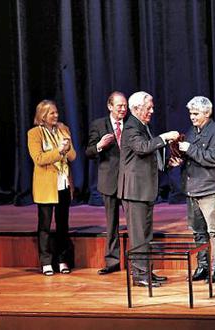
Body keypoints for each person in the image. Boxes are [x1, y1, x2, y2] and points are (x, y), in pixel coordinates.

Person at [117, 91, 179, 287]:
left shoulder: (143, 126)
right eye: (148, 107)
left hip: (144, 190)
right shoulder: (130, 127)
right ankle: (140, 276)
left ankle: (146, 272)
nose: (152, 110)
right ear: (136, 108)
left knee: (146, 235)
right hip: (134, 191)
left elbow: (148, 158)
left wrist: (168, 163)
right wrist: (164, 138)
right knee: (138, 236)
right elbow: (142, 148)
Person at [169, 96, 215, 283]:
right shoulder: (192, 131)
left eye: (196, 114)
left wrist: (190, 149)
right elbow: (191, 156)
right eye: (191, 114)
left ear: (207, 113)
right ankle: (202, 266)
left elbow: (214, 158)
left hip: (209, 189)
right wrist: (180, 159)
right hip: (192, 189)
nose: (192, 117)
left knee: (214, 231)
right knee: (198, 231)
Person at [27, 100, 77, 276]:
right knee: (45, 226)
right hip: (46, 186)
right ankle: (46, 261)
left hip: (63, 184)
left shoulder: (63, 129)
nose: (56, 116)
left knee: (63, 225)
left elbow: (72, 156)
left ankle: (63, 260)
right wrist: (59, 151)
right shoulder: (34, 133)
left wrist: (67, 146)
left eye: (56, 112)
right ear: (42, 116)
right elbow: (39, 159)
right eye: (51, 113)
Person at [85, 91, 128, 275]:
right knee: (112, 224)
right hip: (109, 180)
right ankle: (112, 261)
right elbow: (88, 151)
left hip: (129, 180)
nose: (123, 109)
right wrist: (100, 145)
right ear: (110, 106)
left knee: (135, 223)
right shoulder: (99, 124)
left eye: (125, 106)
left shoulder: (132, 124)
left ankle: (138, 262)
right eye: (119, 106)